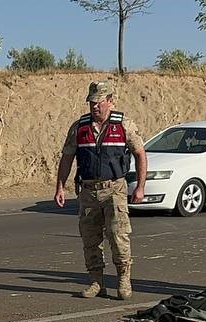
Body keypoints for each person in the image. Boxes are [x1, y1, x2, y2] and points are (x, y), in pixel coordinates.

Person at [54, 81, 147, 300]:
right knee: (90, 238)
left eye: (99, 102)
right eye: (91, 102)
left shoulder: (124, 124)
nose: (95, 106)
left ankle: (124, 280)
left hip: (114, 189)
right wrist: (60, 186)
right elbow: (67, 157)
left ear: (110, 101)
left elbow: (140, 154)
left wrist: (140, 187)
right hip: (88, 191)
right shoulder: (79, 126)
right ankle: (96, 282)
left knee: (118, 236)